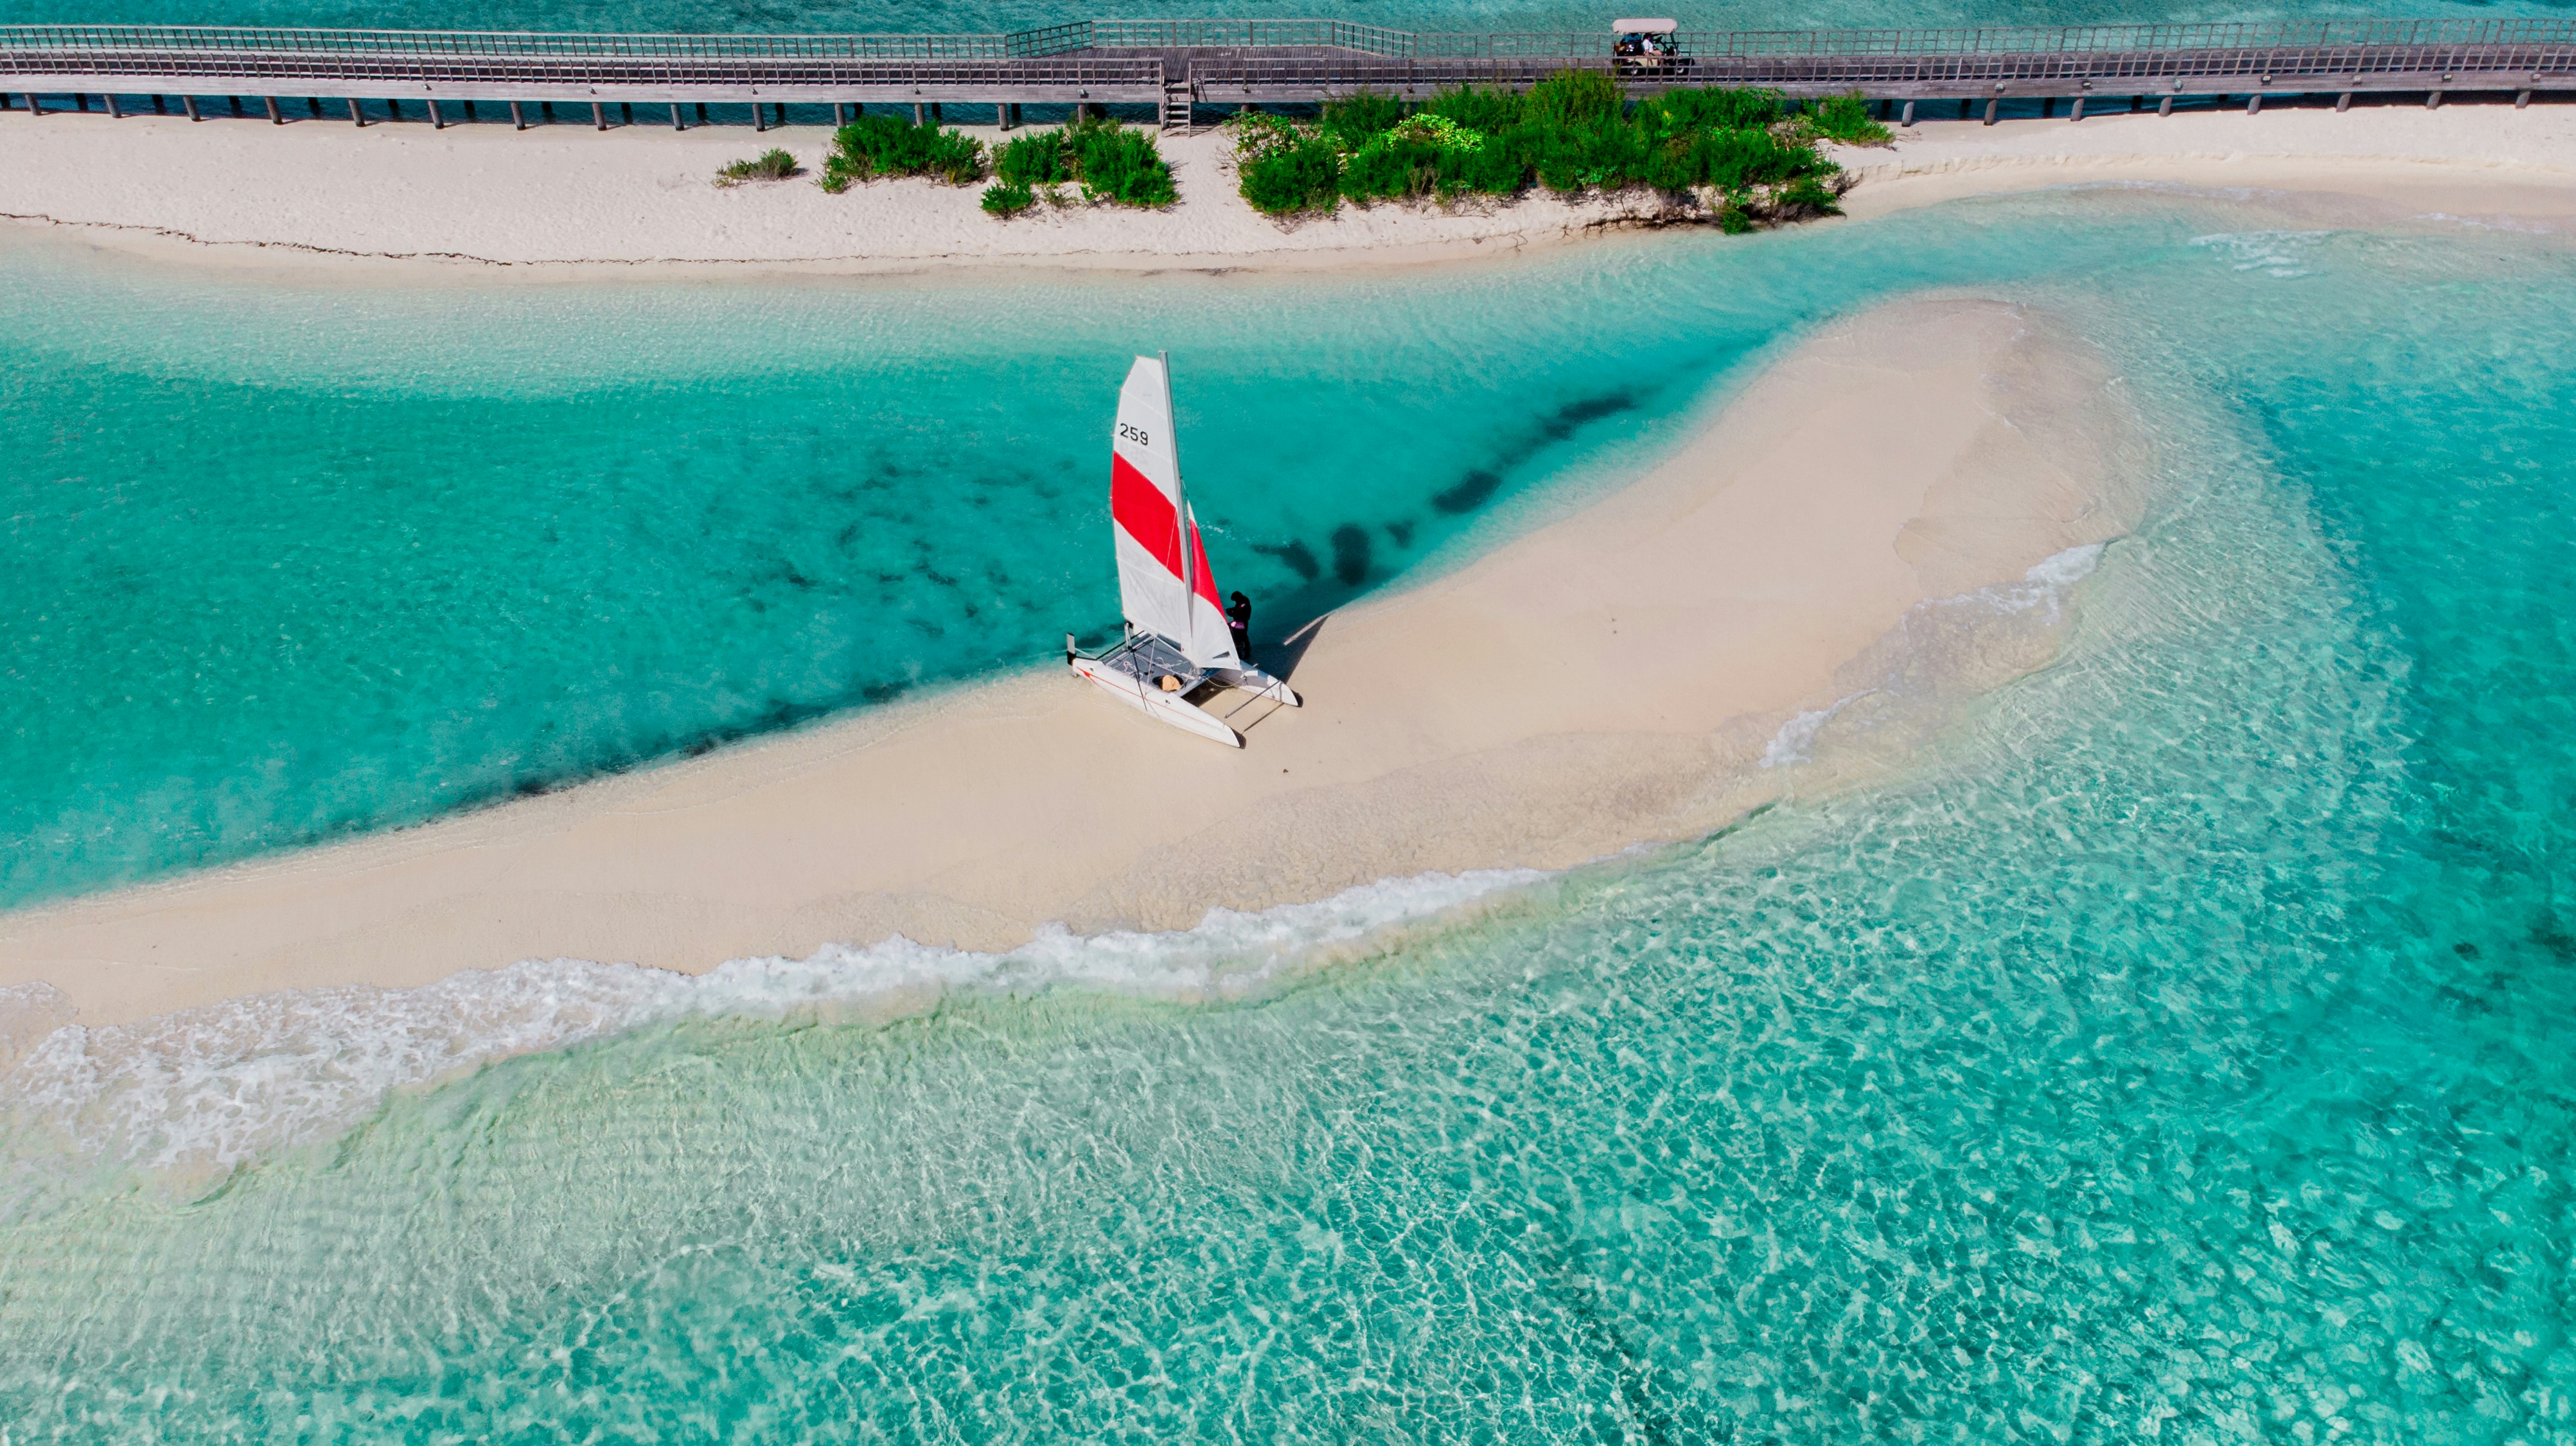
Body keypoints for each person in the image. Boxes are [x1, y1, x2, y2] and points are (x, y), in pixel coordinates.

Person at [1225, 591, 1253, 660]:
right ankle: (1246, 649)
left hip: (1242, 622)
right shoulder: (1243, 601)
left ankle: (1247, 652)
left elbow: (1240, 613)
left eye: (1235, 600)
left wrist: (1231, 614)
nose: (1235, 602)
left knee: (1243, 637)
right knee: (1244, 636)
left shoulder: (1243, 604)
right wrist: (1232, 609)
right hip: (1241, 621)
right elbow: (1237, 608)